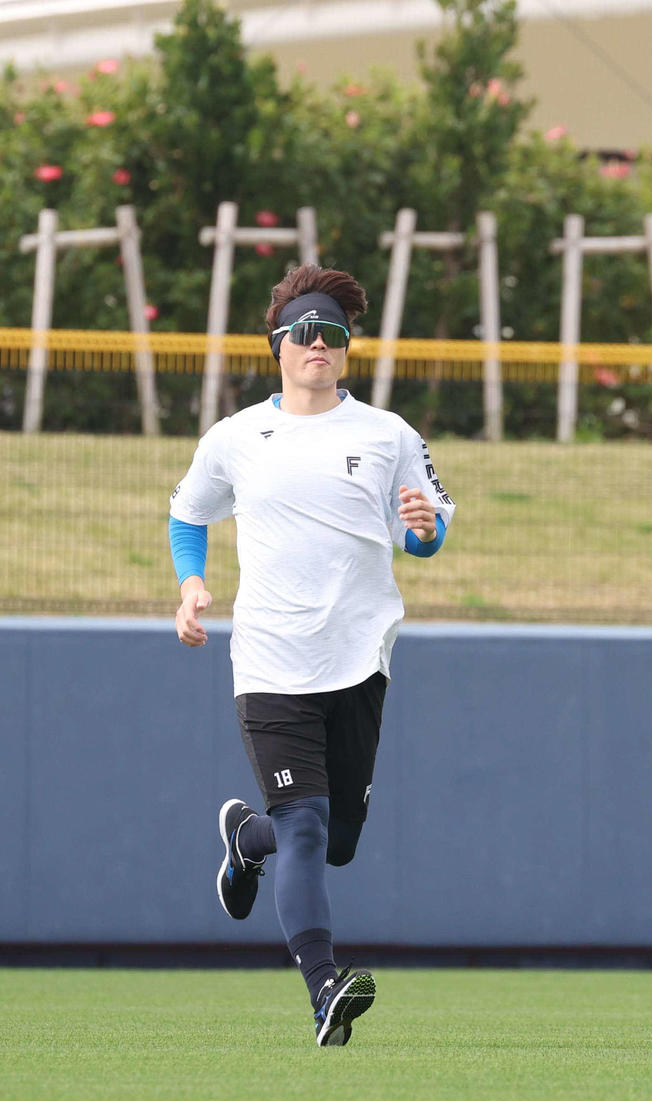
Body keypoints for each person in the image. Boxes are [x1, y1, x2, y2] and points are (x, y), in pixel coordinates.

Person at [167, 264, 455, 1047]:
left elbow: (426, 535)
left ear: (346, 348)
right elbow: (186, 515)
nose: (318, 344)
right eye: (304, 332)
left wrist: (425, 526)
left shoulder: (389, 435)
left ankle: (243, 838)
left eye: (332, 332)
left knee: (336, 841)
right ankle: (325, 985)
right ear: (279, 346)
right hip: (270, 663)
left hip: (360, 661)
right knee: (305, 826)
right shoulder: (235, 438)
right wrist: (192, 586)